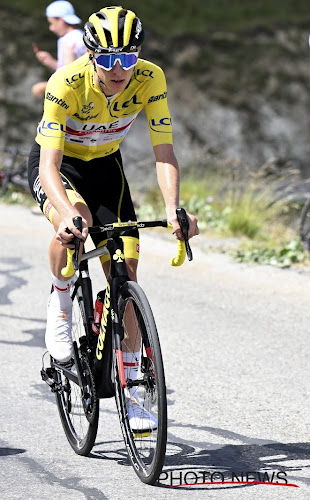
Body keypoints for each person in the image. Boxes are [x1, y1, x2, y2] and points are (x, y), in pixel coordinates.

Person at [28, 6, 199, 430]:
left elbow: (164, 152)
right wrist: (66, 212)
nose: (119, 68)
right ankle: (61, 301)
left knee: (127, 273)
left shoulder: (150, 77)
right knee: (77, 225)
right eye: (107, 59)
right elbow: (48, 165)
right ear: (90, 56)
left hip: (107, 166)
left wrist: (174, 209)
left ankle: (135, 382)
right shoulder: (65, 83)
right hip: (60, 168)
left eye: (128, 57)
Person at [31, 1, 86, 99]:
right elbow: (77, 70)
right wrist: (51, 62)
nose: (51, 28)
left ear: (61, 19)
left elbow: (70, 79)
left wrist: (45, 86)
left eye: (51, 23)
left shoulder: (66, 41)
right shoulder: (82, 36)